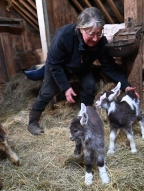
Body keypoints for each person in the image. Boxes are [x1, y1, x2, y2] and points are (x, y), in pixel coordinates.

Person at [28, 7, 137, 135]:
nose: (95, 38)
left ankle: (84, 116)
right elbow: (54, 65)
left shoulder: (100, 43)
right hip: (59, 66)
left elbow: (110, 66)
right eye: (91, 34)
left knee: (90, 85)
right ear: (81, 29)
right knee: (47, 91)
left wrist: (126, 86)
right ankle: (33, 121)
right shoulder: (64, 37)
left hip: (81, 66)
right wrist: (65, 87)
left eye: (99, 33)